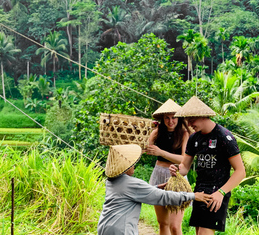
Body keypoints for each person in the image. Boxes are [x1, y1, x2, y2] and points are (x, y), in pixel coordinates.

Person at [169, 96, 246, 235]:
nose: (189, 124)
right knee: (199, 232)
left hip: (217, 194)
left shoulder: (224, 137)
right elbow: (185, 168)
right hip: (199, 193)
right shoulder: (194, 138)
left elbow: (240, 171)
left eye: (192, 120)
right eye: (187, 120)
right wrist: (176, 169)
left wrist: (221, 193)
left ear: (203, 116)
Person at [97, 144, 212, 235]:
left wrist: (155, 188)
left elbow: (130, 193)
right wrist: (193, 196)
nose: (134, 166)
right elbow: (163, 197)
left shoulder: (111, 181)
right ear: (125, 166)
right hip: (121, 230)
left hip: (104, 227)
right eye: (132, 164)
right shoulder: (131, 183)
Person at [146, 99, 193, 235]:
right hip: (158, 174)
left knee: (174, 226)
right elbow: (146, 148)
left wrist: (161, 152)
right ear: (162, 118)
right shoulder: (157, 132)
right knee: (163, 224)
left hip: (176, 177)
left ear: (179, 118)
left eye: (173, 118)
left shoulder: (184, 134)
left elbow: (184, 159)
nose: (170, 121)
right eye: (167, 118)